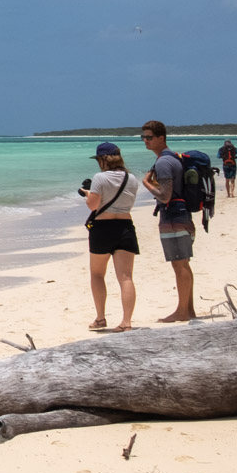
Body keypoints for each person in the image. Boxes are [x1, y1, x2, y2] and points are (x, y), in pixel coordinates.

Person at [140, 120, 196, 323]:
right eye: (143, 137)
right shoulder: (172, 158)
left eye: (149, 137)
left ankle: (182, 311)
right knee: (183, 263)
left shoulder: (164, 162)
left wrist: (146, 183)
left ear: (161, 138)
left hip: (173, 216)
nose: (145, 141)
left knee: (179, 263)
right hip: (181, 215)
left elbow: (165, 196)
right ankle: (188, 309)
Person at [80, 141, 139, 331]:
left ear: (103, 159)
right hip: (125, 226)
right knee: (126, 277)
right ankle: (127, 322)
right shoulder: (132, 178)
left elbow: (93, 205)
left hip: (103, 228)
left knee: (97, 274)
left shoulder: (100, 178)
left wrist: (87, 193)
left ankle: (100, 318)